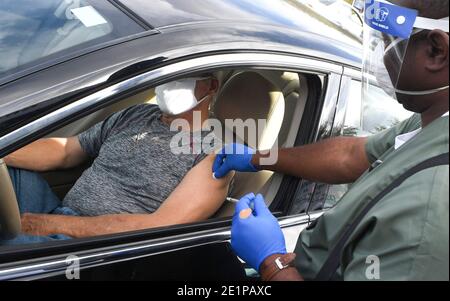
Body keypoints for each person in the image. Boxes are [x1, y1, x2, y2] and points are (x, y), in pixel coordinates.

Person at [213, 0, 449, 281]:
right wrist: (258, 158)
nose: (380, 56)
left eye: (388, 41)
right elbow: (350, 155)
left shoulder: (428, 215)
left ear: (436, 50)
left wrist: (271, 263)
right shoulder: (430, 124)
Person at [2, 75, 233, 244]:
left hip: (89, 246)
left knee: (9, 251)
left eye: (182, 77)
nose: (169, 83)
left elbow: (160, 226)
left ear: (211, 86)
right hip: (56, 212)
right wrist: (4, 150)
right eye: (168, 75)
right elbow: (67, 150)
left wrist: (54, 225)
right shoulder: (137, 114)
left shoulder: (214, 154)